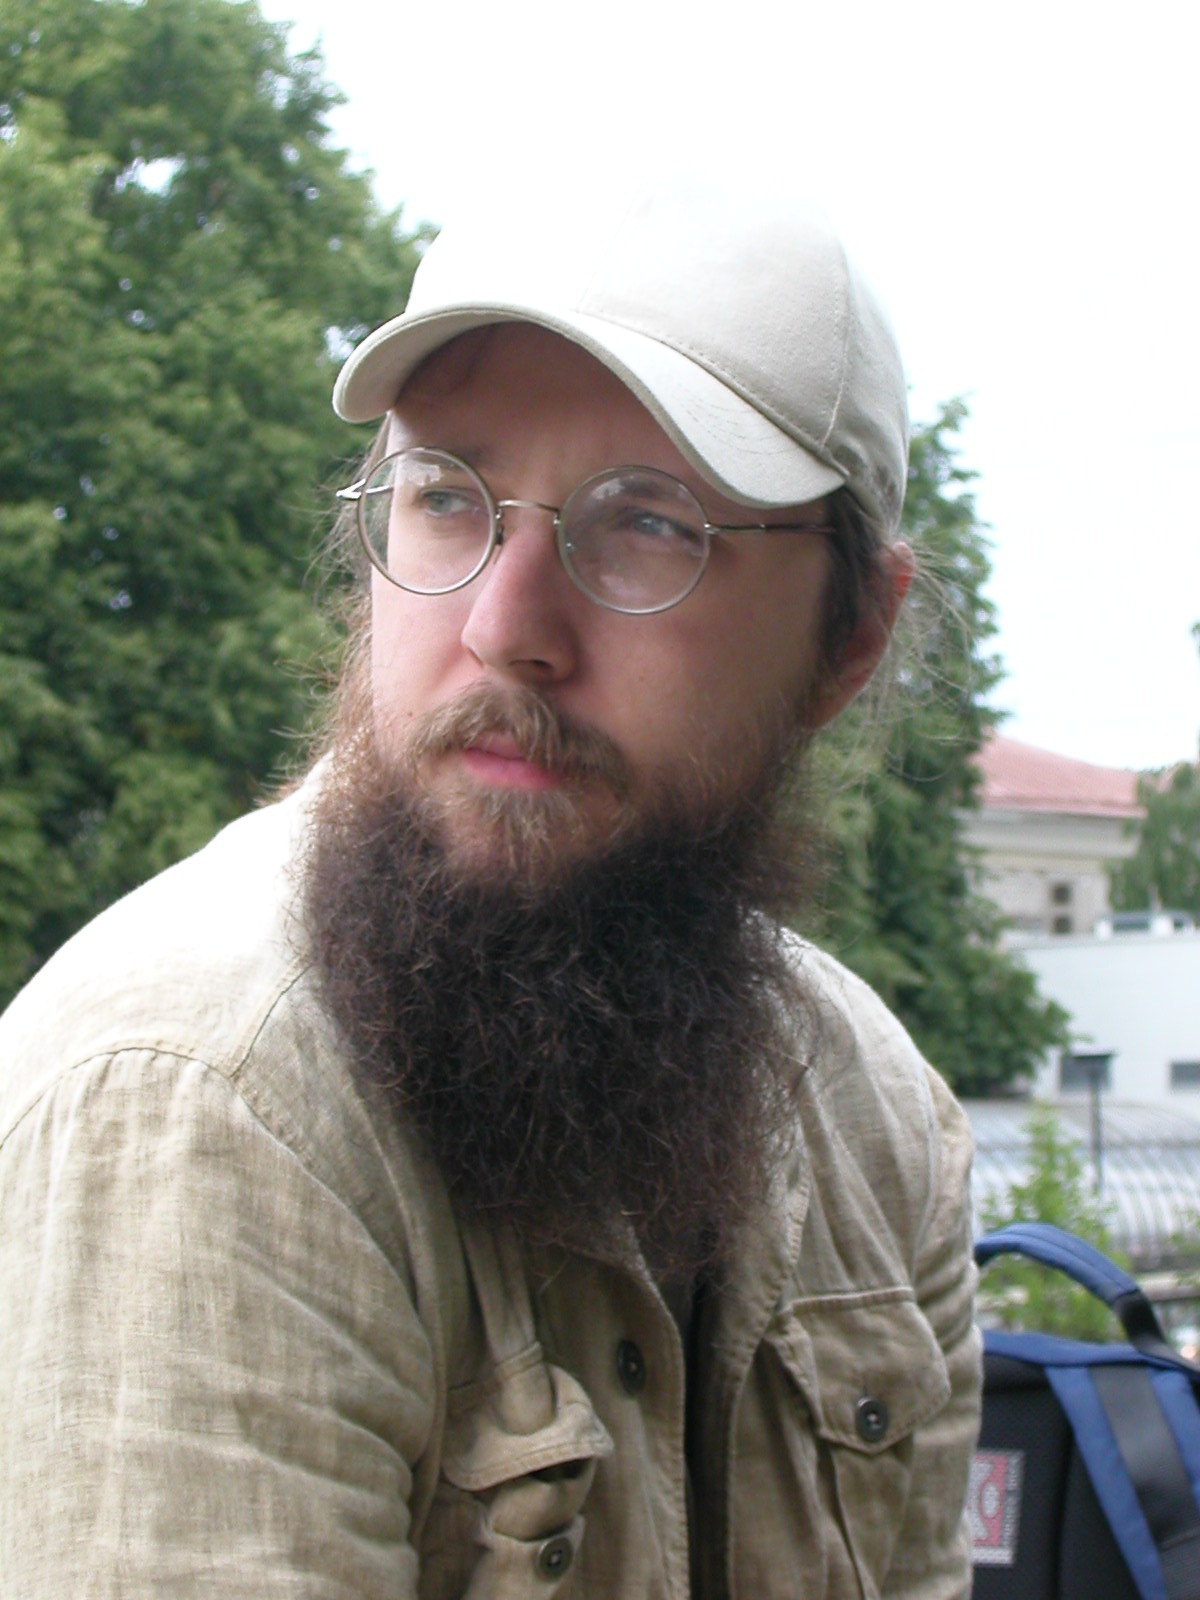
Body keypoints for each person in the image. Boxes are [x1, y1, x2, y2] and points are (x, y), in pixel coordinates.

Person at [0, 180, 981, 1596]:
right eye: (448, 499)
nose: (504, 628)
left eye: (649, 523)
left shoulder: (883, 1125)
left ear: (851, 640)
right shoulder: (199, 1100)